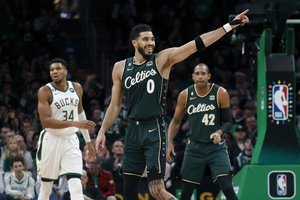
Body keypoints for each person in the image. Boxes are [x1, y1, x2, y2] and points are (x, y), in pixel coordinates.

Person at [95, 10, 249, 200]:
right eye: (145, 39)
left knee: (156, 189)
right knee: (129, 191)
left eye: (152, 39)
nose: (151, 43)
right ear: (134, 43)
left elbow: (196, 44)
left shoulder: (162, 59)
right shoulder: (120, 67)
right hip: (132, 131)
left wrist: (228, 26)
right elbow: (115, 106)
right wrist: (102, 130)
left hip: (154, 128)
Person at [167, 64, 238, 200]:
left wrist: (219, 132)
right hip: (194, 147)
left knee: (228, 187)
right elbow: (176, 121)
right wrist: (169, 141)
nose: (200, 76)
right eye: (197, 73)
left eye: (203, 73)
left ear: (209, 76)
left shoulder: (220, 93)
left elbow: (228, 122)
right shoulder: (185, 94)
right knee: (186, 193)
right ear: (193, 77)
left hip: (216, 147)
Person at [36, 58, 96, 200]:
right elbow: (45, 122)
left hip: (71, 140)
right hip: (51, 139)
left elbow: (81, 114)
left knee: (76, 185)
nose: (54, 72)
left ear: (66, 71)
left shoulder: (77, 87)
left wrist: (88, 142)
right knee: (46, 188)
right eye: (51, 70)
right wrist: (74, 124)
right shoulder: (44, 91)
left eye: (58, 68)